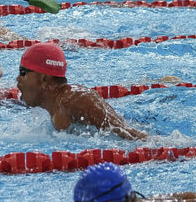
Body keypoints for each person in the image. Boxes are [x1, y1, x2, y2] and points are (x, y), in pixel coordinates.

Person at [16, 43, 146, 139]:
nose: (18, 79)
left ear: (44, 79)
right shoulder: (55, 105)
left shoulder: (75, 100)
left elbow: (128, 133)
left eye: (23, 73)